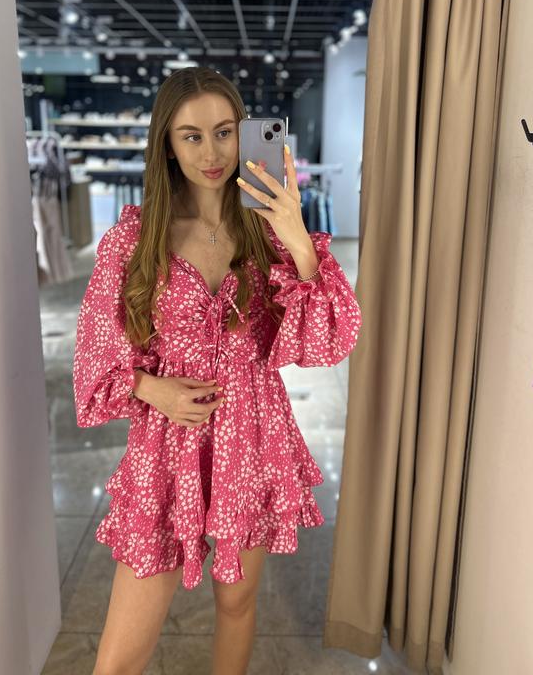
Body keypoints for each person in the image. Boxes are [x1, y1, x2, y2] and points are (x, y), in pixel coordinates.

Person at [72, 66, 362, 674]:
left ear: (243, 132)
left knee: (236, 604)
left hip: (251, 439)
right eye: (192, 136)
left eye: (225, 132)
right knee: (117, 658)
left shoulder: (267, 233)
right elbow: (95, 353)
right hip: (165, 446)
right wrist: (151, 388)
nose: (212, 153)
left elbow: (330, 338)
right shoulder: (134, 239)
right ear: (167, 144)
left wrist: (297, 236)